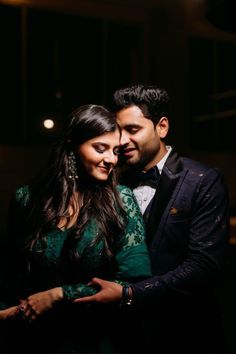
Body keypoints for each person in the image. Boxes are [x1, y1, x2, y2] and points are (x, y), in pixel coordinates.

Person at [74, 85, 230, 354]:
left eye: (133, 130)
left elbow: (204, 267)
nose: (121, 141)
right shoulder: (110, 179)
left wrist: (130, 294)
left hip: (184, 334)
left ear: (162, 127)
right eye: (118, 131)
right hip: (120, 337)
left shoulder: (202, 180)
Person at [0, 104, 151, 354]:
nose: (112, 159)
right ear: (72, 145)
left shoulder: (120, 200)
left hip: (93, 339)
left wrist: (57, 295)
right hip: (33, 339)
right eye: (100, 148)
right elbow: (12, 273)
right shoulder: (26, 199)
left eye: (115, 151)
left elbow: (135, 280)